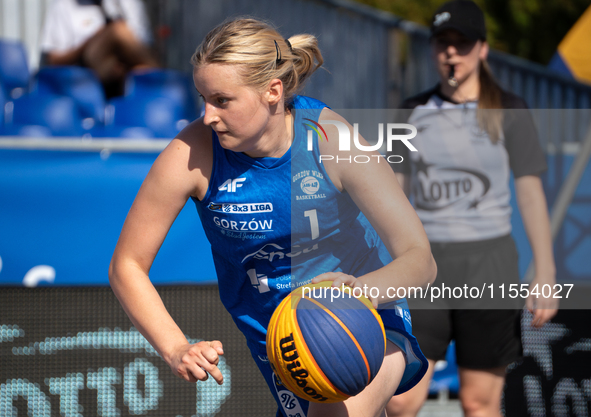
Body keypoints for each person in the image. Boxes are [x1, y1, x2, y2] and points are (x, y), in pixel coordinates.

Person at [109, 17, 437, 417]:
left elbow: (419, 258)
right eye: (203, 98)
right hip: (280, 342)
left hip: (361, 313)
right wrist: (175, 346)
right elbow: (127, 264)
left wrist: (356, 294)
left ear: (273, 91)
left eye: (222, 100)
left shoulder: (333, 141)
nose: (208, 115)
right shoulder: (192, 153)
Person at [385, 1, 558, 417]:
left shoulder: (509, 110)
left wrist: (546, 271)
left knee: (479, 403)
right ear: (432, 50)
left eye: (461, 44)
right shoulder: (410, 112)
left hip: (490, 263)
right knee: (399, 400)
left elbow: (530, 193)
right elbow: (392, 195)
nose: (451, 53)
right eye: (442, 43)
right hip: (426, 264)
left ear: (482, 49)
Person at [40, 0, 159, 97]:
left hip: (125, 67)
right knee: (118, 31)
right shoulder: (63, 5)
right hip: (86, 69)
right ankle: (163, 78)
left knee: (143, 71)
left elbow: (142, 47)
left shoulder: (130, 3)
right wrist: (92, 39)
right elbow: (54, 59)